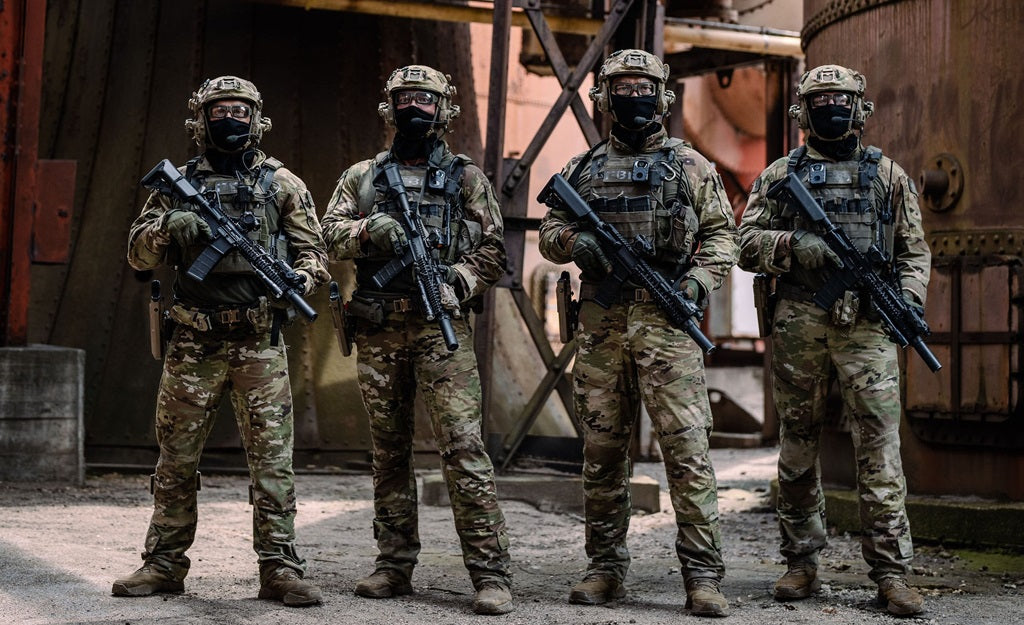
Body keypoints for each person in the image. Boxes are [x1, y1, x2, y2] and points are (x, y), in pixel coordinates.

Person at [537, 49, 739, 617]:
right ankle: (604, 570)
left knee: (688, 453)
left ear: (662, 96)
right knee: (602, 453)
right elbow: (550, 231)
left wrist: (697, 283)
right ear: (604, 97)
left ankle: (703, 577)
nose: (633, 97)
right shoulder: (583, 169)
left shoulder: (691, 166)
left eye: (643, 87)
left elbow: (723, 238)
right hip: (602, 328)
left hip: (668, 326)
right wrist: (575, 242)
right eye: (622, 88)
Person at [117, 75, 330, 607]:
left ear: (257, 119)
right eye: (219, 111)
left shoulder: (282, 184)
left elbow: (316, 256)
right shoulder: (177, 183)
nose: (229, 119)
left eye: (239, 111)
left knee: (272, 462)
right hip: (194, 341)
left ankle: (279, 567)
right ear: (200, 120)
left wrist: (301, 278)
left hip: (258, 340)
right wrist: (166, 226)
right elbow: (138, 256)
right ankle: (163, 563)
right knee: (176, 458)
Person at [737, 64, 931, 617]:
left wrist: (908, 300)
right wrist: (792, 245)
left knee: (880, 448)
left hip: (868, 326)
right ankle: (801, 562)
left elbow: (914, 251)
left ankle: (891, 574)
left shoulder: (888, 176)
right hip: (801, 320)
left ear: (860, 108)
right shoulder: (780, 176)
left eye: (840, 100)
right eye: (820, 100)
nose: (831, 108)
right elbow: (744, 242)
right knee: (798, 443)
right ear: (803, 110)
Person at [320, 65, 513, 615]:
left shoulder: (466, 178)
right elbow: (326, 233)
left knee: (463, 448)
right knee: (389, 451)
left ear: (443, 109)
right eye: (404, 99)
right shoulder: (362, 176)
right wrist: (367, 231)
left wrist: (458, 281)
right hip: (379, 327)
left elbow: (494, 251)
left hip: (439, 327)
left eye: (425, 100)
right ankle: (393, 564)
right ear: (389, 107)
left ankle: (490, 573)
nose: (414, 109)